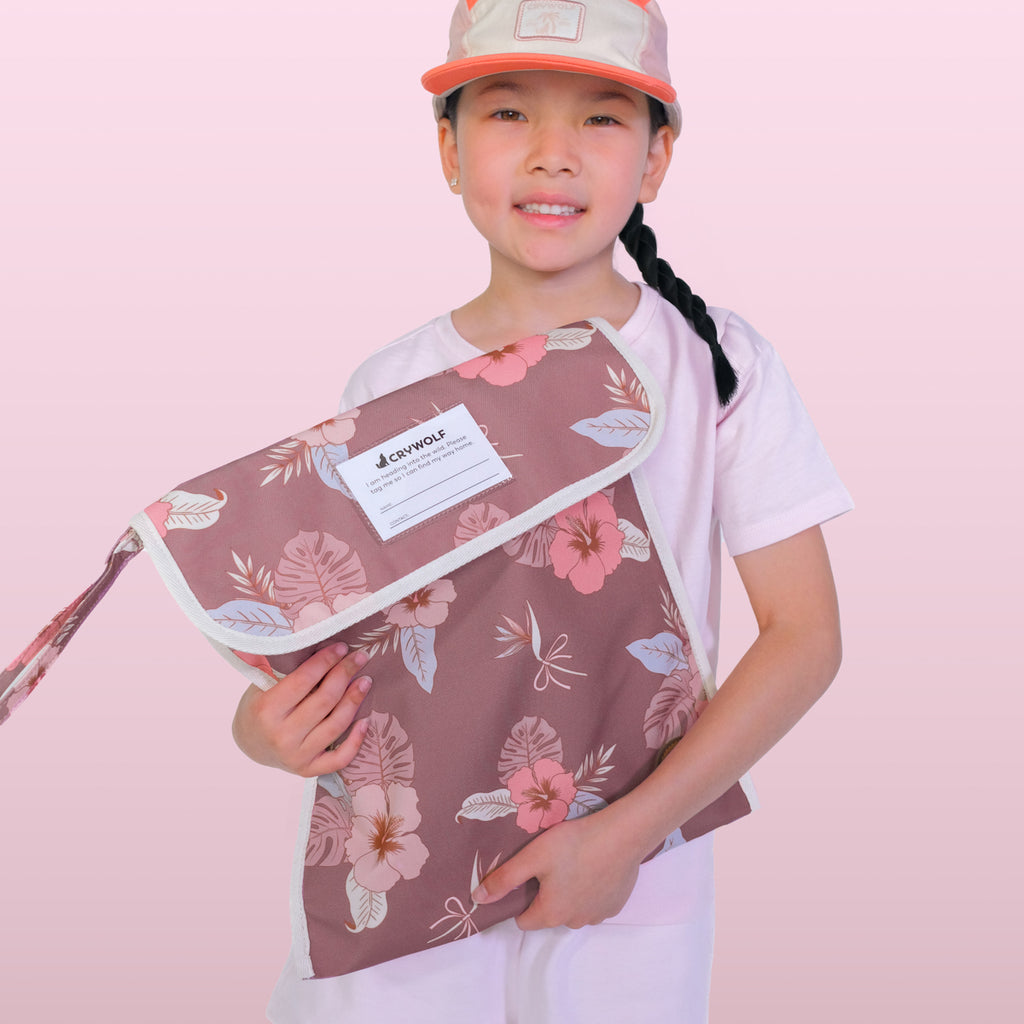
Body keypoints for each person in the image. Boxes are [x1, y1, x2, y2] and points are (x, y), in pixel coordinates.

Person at [232, 1, 852, 1020]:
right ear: (448, 147)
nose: (553, 155)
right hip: (403, 882)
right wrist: (268, 731)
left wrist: (626, 836)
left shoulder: (716, 367)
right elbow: (345, 647)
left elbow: (805, 636)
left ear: (655, 162)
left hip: (625, 886)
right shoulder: (392, 380)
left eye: (602, 120)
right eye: (509, 113)